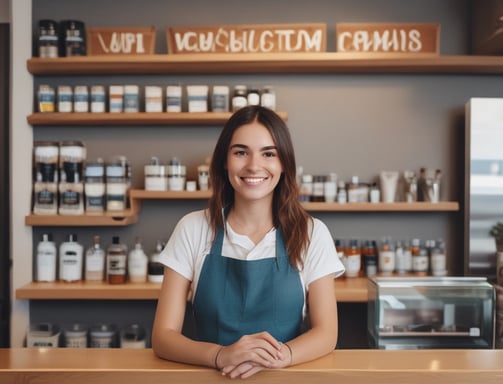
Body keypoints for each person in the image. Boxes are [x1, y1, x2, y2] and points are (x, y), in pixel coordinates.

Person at [152, 105, 345, 379]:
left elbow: (327, 333)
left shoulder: (311, 233)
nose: (254, 165)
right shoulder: (193, 229)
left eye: (269, 154)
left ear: (283, 164)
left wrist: (280, 356)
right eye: (241, 152)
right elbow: (163, 336)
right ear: (224, 161)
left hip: (283, 377)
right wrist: (220, 355)